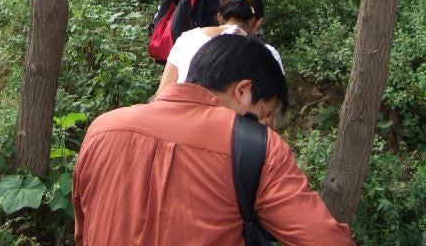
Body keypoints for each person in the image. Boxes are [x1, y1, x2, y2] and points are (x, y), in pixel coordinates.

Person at [73, 34, 355, 245]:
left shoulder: (101, 131)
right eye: (263, 115)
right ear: (243, 91)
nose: (264, 127)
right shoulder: (259, 147)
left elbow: (84, 233)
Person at [156, 0, 284, 111]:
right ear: (258, 22)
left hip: (180, 116)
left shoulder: (187, 39)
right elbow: (270, 110)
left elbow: (161, 95)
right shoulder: (269, 55)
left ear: (220, 17)